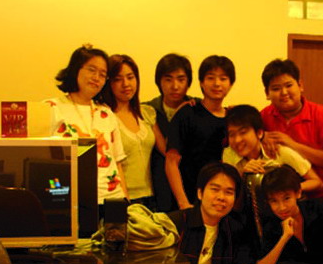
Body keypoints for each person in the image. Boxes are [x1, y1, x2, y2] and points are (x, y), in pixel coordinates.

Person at [260, 59, 323, 221]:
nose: (284, 92)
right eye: (276, 88)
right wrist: (261, 136)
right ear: (267, 93)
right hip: (285, 206)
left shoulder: (322, 116)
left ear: (300, 85)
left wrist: (292, 145)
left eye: (288, 85)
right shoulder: (264, 117)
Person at [46, 45, 128, 205]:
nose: (96, 77)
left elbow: (117, 162)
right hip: (70, 198)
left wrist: (125, 201)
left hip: (112, 198)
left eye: (102, 74)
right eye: (92, 70)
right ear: (75, 69)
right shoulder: (51, 108)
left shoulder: (106, 113)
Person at [166, 55, 235, 210]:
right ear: (201, 83)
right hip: (191, 201)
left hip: (223, 202)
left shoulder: (233, 119)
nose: (217, 84)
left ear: (230, 84)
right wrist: (183, 203)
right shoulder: (187, 113)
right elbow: (171, 162)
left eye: (223, 79)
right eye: (211, 78)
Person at [101, 54, 167, 210]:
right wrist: (126, 201)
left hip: (152, 197)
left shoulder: (146, 113)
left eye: (130, 77)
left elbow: (166, 151)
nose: (126, 84)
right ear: (109, 83)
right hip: (121, 198)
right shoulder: (104, 116)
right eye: (118, 79)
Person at [222, 104, 322, 193]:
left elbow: (317, 182)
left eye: (243, 132)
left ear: (259, 133)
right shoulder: (229, 154)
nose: (237, 140)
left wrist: (289, 189)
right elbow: (227, 190)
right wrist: (243, 175)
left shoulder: (278, 151)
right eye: (232, 134)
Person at [144, 54, 197, 212]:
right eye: (168, 79)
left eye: (181, 79)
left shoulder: (198, 108)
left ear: (188, 82)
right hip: (156, 191)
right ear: (159, 82)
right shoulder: (148, 110)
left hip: (192, 189)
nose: (175, 86)